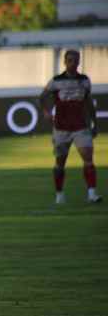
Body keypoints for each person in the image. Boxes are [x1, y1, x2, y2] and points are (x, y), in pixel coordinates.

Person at [40, 49, 101, 204]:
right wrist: (46, 112)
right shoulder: (56, 81)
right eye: (70, 60)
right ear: (65, 62)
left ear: (79, 62)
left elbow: (89, 103)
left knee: (88, 159)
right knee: (60, 163)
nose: (73, 63)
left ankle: (92, 194)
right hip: (61, 128)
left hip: (81, 126)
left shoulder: (84, 80)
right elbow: (42, 97)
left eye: (75, 60)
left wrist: (94, 124)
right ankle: (59, 194)